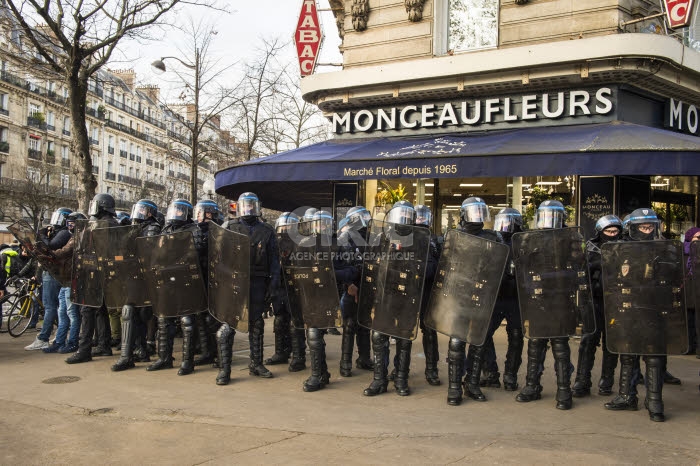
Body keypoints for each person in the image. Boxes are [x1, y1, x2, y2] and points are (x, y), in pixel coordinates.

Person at [604, 208, 676, 421]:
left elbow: (674, 275)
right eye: (643, 227)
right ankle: (627, 396)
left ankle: (655, 401)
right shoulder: (620, 249)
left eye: (650, 226)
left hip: (654, 307)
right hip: (628, 306)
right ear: (633, 228)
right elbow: (611, 276)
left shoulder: (666, 249)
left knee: (653, 356)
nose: (647, 230)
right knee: (627, 352)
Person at [515, 200, 574, 410]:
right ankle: (532, 386)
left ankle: (564, 390)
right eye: (546, 216)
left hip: (560, 298)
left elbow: (578, 268)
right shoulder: (531, 239)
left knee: (560, 346)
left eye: (554, 216)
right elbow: (524, 267)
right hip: (538, 298)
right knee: (535, 344)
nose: (550, 221)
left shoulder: (571, 239)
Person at [364, 204, 425, 397]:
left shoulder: (420, 240)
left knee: (404, 338)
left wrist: (415, 268)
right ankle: (379, 380)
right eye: (401, 214)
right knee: (378, 337)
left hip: (408, 295)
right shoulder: (382, 237)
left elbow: (430, 266)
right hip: (385, 295)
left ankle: (401, 379)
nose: (403, 219)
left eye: (408, 215)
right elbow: (370, 264)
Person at [446, 197, 503, 405]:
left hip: (482, 296)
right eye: (473, 212)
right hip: (460, 296)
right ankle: (454, 387)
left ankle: (472, 384)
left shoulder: (493, 237)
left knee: (478, 341)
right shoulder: (454, 237)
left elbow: (500, 266)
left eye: (480, 212)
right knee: (456, 341)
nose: (477, 217)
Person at [220, 192, 280, 380]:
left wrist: (273, 285)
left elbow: (274, 262)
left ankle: (256, 364)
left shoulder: (267, 230)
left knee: (256, 324)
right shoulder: (229, 227)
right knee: (228, 326)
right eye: (244, 205)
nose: (248, 209)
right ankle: (225, 369)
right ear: (238, 207)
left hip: (258, 281)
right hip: (235, 282)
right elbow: (219, 258)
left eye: (251, 205)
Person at [146, 199, 202, 373]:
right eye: (174, 210)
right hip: (166, 280)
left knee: (187, 321)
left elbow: (194, 253)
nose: (175, 214)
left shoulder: (195, 230)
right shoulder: (166, 229)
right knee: (164, 319)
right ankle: (164, 358)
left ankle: (187, 361)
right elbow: (156, 252)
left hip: (185, 281)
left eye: (179, 211)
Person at [573, 214, 623, 397]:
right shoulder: (590, 248)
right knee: (588, 341)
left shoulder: (624, 248)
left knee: (611, 344)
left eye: (615, 231)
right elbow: (580, 271)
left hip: (615, 301)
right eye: (608, 231)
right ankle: (582, 381)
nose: (611, 234)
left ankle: (606, 381)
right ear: (600, 232)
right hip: (593, 301)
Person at [66, 194, 119, 364]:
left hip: (94, 274)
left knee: (87, 311)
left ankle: (84, 350)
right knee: (101, 310)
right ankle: (104, 345)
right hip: (109, 275)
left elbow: (82, 247)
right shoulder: (115, 224)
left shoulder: (95, 225)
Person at [111, 200, 161, 371]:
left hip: (144, 278)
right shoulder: (135, 227)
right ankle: (140, 351)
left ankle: (128, 356)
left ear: (150, 213)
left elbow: (145, 251)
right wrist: (124, 231)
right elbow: (122, 250)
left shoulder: (153, 227)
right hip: (133, 277)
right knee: (135, 314)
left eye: (142, 210)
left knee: (132, 311)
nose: (138, 213)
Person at [478, 207, 525, 392]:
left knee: (515, 337)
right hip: (495, 296)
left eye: (510, 223)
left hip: (516, 298)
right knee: (483, 334)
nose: (506, 227)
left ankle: (510, 376)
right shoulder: (492, 240)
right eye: (503, 222)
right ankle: (490, 373)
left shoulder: (524, 242)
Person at [25, 207, 73, 351]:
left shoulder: (63, 233)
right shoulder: (60, 232)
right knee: (58, 308)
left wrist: (43, 236)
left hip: (53, 273)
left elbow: (50, 247)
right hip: (52, 272)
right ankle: (59, 335)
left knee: (50, 306)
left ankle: (43, 338)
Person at [265, 212, 307, 373]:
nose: (285, 230)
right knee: (279, 320)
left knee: (295, 323)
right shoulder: (274, 244)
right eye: (283, 227)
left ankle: (298, 357)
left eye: (289, 227)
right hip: (280, 288)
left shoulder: (302, 244)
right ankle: (281, 352)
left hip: (296, 288)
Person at [337, 206, 374, 377]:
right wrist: (349, 284)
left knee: (364, 324)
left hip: (367, 285)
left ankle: (364, 359)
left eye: (366, 216)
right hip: (352, 286)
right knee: (350, 324)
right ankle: (345, 363)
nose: (365, 220)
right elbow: (342, 265)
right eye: (362, 217)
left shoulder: (369, 237)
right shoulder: (345, 238)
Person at [43, 212, 86, 354]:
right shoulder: (74, 236)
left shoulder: (80, 237)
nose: (70, 226)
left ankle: (72, 342)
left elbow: (62, 251)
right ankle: (60, 341)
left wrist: (46, 245)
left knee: (71, 313)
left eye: (73, 223)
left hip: (73, 278)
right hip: (66, 279)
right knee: (63, 312)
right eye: (69, 223)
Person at [413, 204, 442, 386]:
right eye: (419, 217)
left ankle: (432, 369)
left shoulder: (435, 241)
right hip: (406, 288)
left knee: (429, 330)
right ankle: (399, 368)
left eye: (425, 217)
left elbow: (439, 266)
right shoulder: (403, 237)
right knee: (400, 330)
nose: (422, 220)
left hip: (427, 289)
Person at [683, 226, 700, 358]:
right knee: (688, 320)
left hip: (697, 291)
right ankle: (689, 346)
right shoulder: (682, 252)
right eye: (697, 238)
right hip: (687, 291)